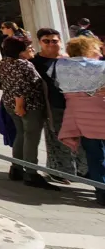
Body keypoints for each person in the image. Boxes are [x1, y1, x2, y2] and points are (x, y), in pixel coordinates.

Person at [0, 36, 60, 190]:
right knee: (31, 137)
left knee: (21, 134)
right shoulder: (23, 65)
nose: (32, 50)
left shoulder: (3, 63)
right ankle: (31, 173)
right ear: (21, 50)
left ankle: (16, 168)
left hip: (10, 104)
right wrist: (19, 104)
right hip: (28, 106)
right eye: (29, 47)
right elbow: (20, 87)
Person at [56, 36, 105, 205]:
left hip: (78, 115)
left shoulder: (61, 66)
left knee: (94, 154)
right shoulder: (100, 66)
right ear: (89, 49)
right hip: (100, 110)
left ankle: (101, 190)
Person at [31, 28, 79, 184]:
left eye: (54, 41)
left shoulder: (68, 59)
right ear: (40, 42)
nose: (51, 44)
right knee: (56, 139)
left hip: (73, 105)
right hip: (52, 105)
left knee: (75, 139)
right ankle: (56, 171)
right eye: (46, 41)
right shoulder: (35, 62)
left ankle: (76, 170)